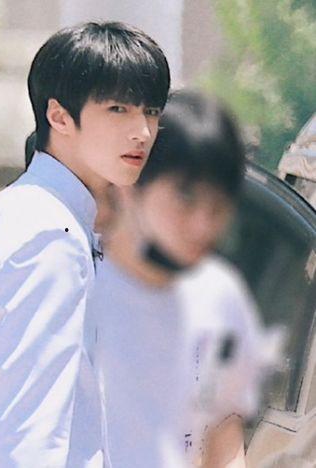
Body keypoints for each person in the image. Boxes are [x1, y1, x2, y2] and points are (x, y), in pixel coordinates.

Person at [0, 21, 171, 467]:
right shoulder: (50, 233)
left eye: (151, 111)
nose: (142, 131)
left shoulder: (22, 208)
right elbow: (32, 436)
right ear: (58, 116)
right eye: (118, 109)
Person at [87, 90, 280, 467]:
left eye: (218, 205)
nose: (203, 224)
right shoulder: (77, 288)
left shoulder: (220, 294)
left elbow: (224, 440)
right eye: (186, 198)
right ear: (131, 185)